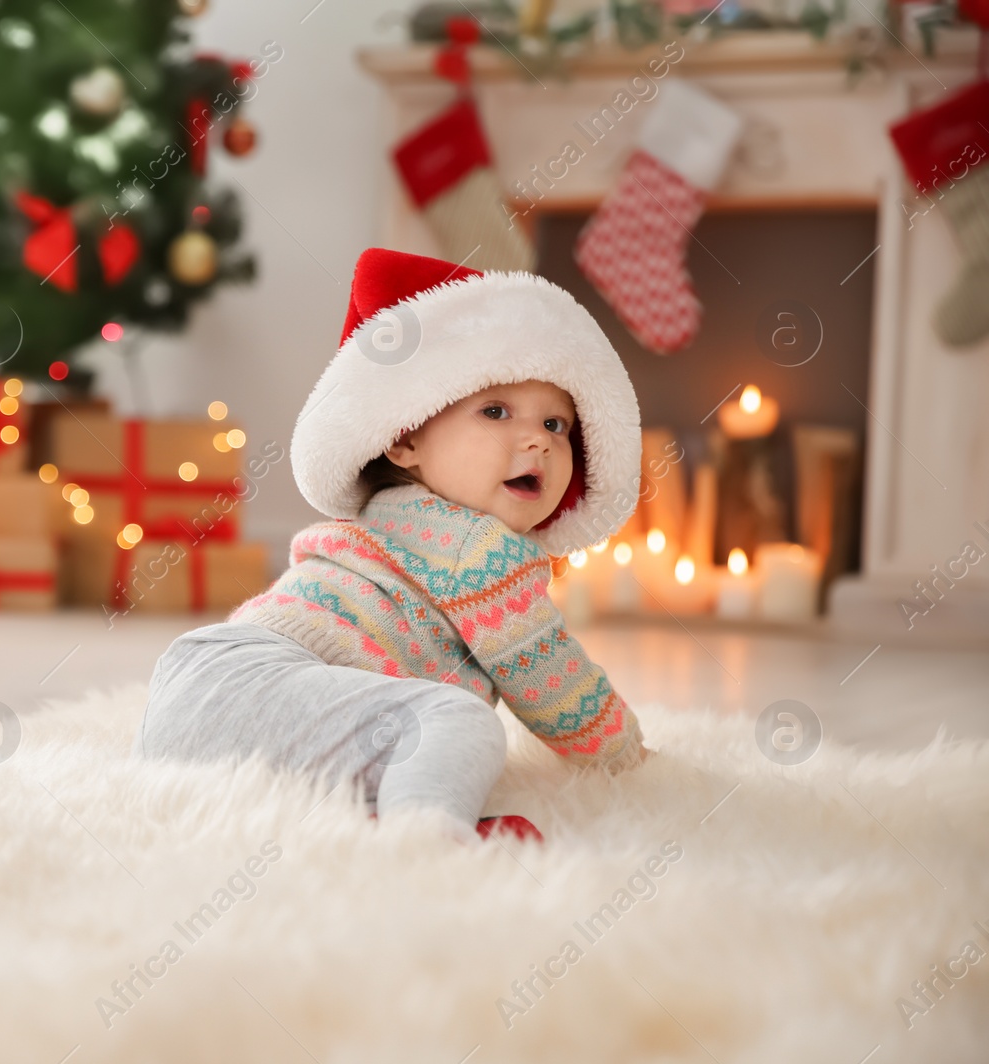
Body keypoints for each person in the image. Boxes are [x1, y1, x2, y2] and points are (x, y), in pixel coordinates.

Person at [134, 247, 652, 843]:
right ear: (404, 441)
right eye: (496, 411)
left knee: (397, 736)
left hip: (186, 686)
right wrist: (626, 755)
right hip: (255, 685)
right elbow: (548, 677)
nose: (535, 441)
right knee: (458, 722)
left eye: (555, 425)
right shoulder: (476, 549)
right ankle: (423, 836)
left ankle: (372, 810)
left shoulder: (388, 522)